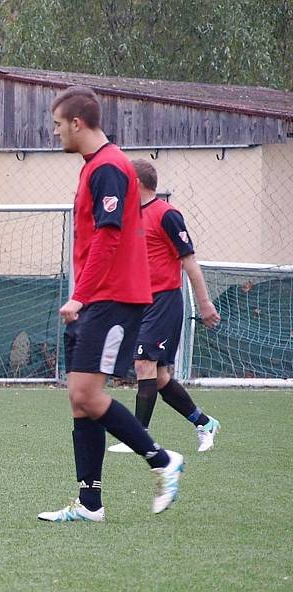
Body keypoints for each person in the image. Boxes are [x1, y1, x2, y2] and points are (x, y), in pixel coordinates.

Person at [38, 86, 184, 523]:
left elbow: (109, 235)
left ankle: (162, 460)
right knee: (81, 401)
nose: (56, 133)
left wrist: (81, 293)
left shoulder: (108, 167)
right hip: (101, 297)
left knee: (85, 394)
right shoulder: (95, 167)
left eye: (58, 125)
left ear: (77, 123)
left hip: (112, 298)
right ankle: (90, 503)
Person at [108, 159, 221, 454]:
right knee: (158, 377)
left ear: (136, 184)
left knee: (143, 363)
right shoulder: (129, 217)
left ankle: (138, 437)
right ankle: (204, 422)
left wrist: (205, 303)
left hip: (164, 301)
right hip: (139, 302)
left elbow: (189, 262)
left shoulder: (167, 215)